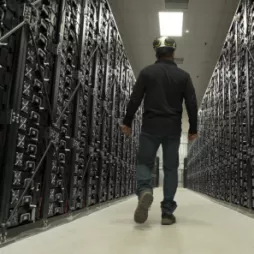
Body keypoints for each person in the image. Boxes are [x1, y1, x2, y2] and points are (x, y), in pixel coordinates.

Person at [120, 36, 198, 225]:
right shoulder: (184, 76)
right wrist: (193, 129)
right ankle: (167, 212)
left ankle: (145, 190)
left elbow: (135, 99)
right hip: (172, 129)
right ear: (173, 52)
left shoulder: (147, 73)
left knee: (144, 163)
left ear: (156, 52)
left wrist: (127, 122)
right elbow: (192, 104)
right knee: (171, 169)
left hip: (150, 127)